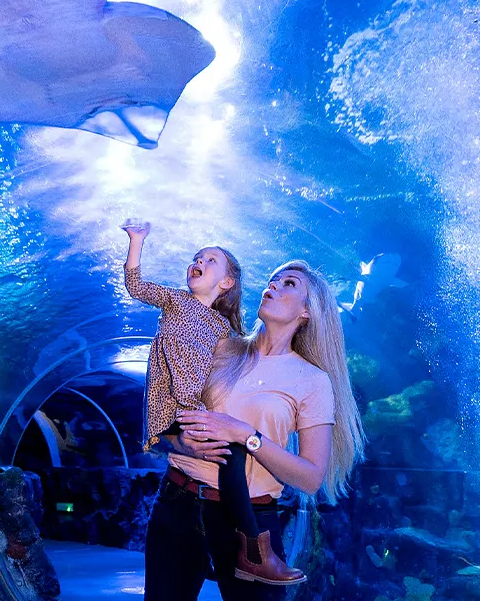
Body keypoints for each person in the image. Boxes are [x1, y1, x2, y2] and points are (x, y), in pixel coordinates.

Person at [144, 261, 368, 600]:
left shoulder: (313, 381)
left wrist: (245, 434)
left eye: (289, 283)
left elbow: (310, 478)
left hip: (251, 522)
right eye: (273, 278)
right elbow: (159, 415)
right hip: (178, 500)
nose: (274, 284)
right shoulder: (220, 347)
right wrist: (179, 443)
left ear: (307, 311)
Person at [119, 219, 299, 583]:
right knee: (231, 454)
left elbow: (236, 371)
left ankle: (247, 550)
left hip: (196, 408)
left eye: (210, 260)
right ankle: (255, 550)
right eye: (197, 257)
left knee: (232, 455)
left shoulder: (224, 331)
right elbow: (135, 285)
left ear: (226, 283)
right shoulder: (175, 300)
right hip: (171, 405)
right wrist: (137, 240)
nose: (198, 261)